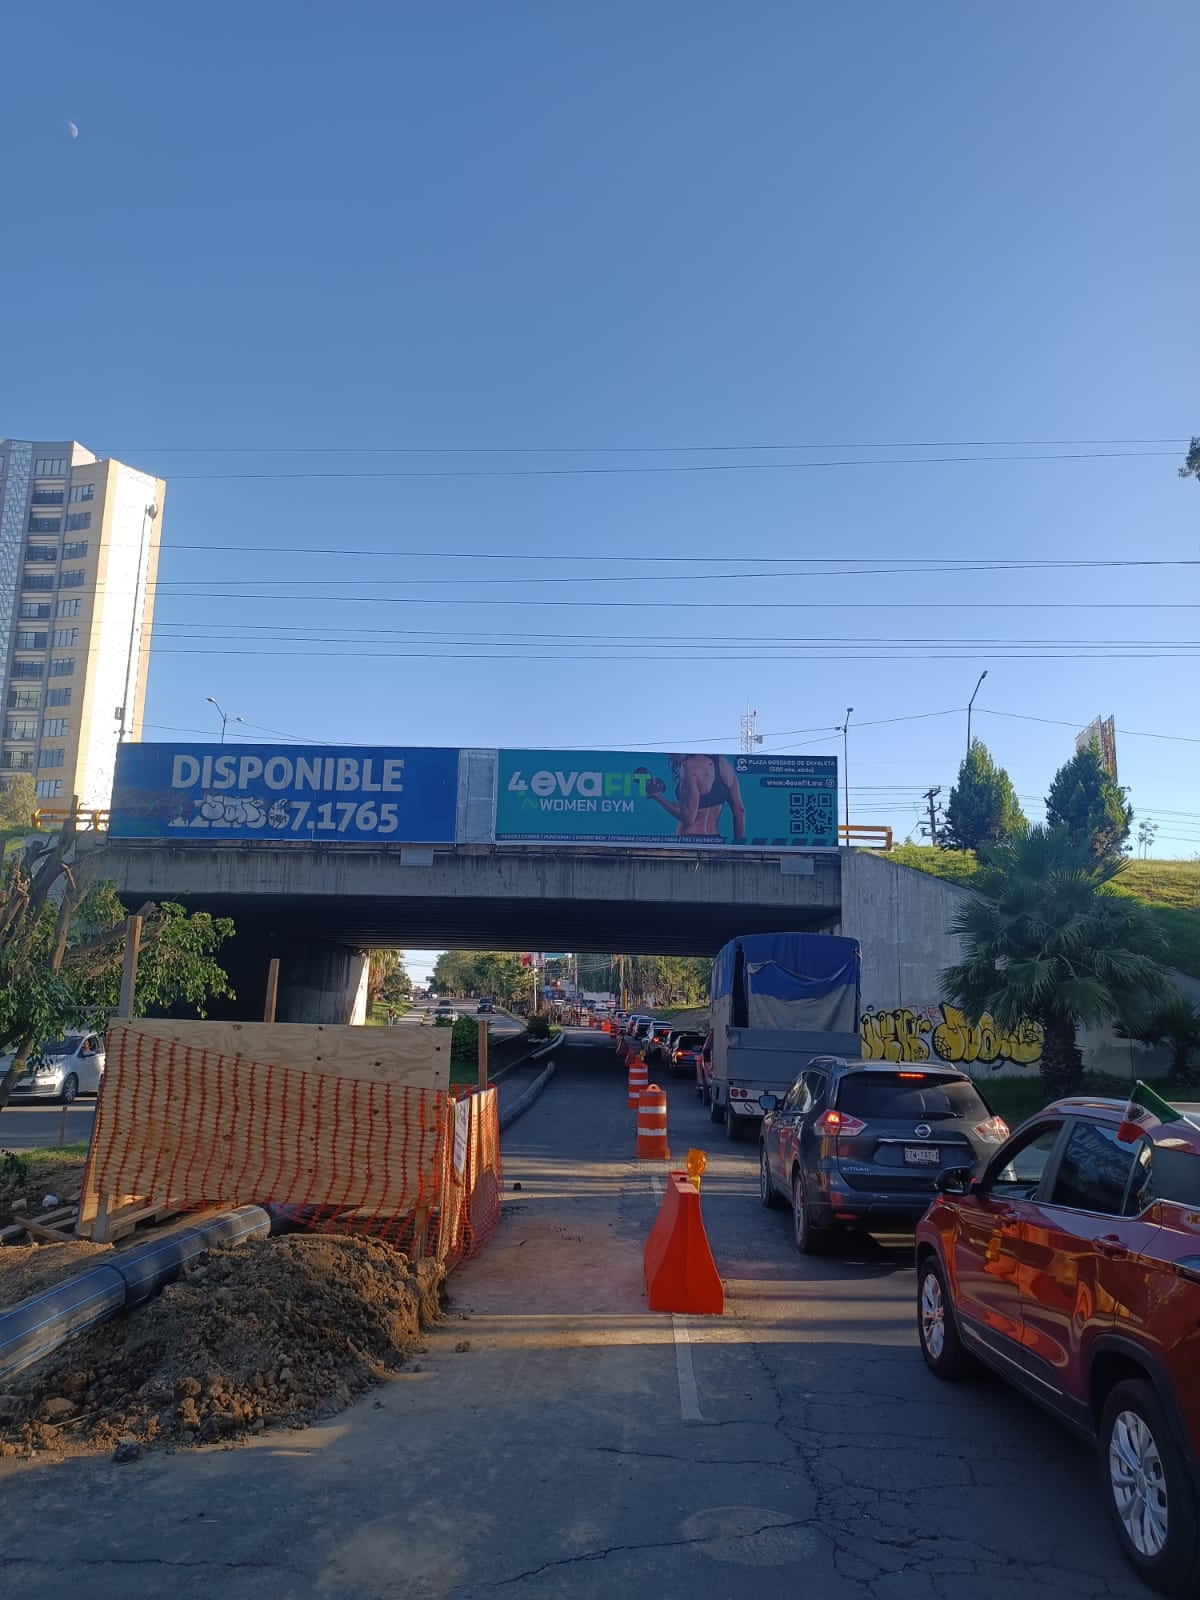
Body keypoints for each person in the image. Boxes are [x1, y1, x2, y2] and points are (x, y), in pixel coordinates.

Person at [645, 753, 746, 842]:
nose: (669, 757)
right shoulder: (724, 763)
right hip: (715, 840)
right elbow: (739, 810)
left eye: (671, 753)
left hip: (689, 840)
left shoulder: (688, 766)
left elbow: (688, 818)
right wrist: (738, 845)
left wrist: (658, 797)